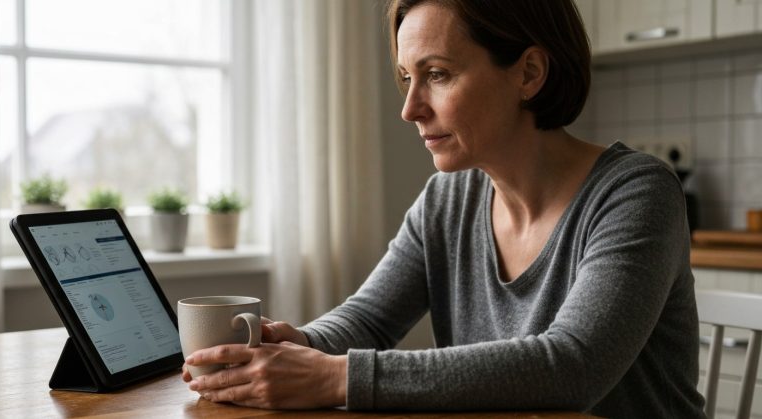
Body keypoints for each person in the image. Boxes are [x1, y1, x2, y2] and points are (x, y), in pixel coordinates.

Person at [182, 0, 706, 417]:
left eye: (437, 74)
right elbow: (367, 320)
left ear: (528, 73)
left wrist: (332, 376)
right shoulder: (448, 200)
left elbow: (573, 366)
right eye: (408, 78)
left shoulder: (637, 193)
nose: (411, 109)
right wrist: (298, 343)